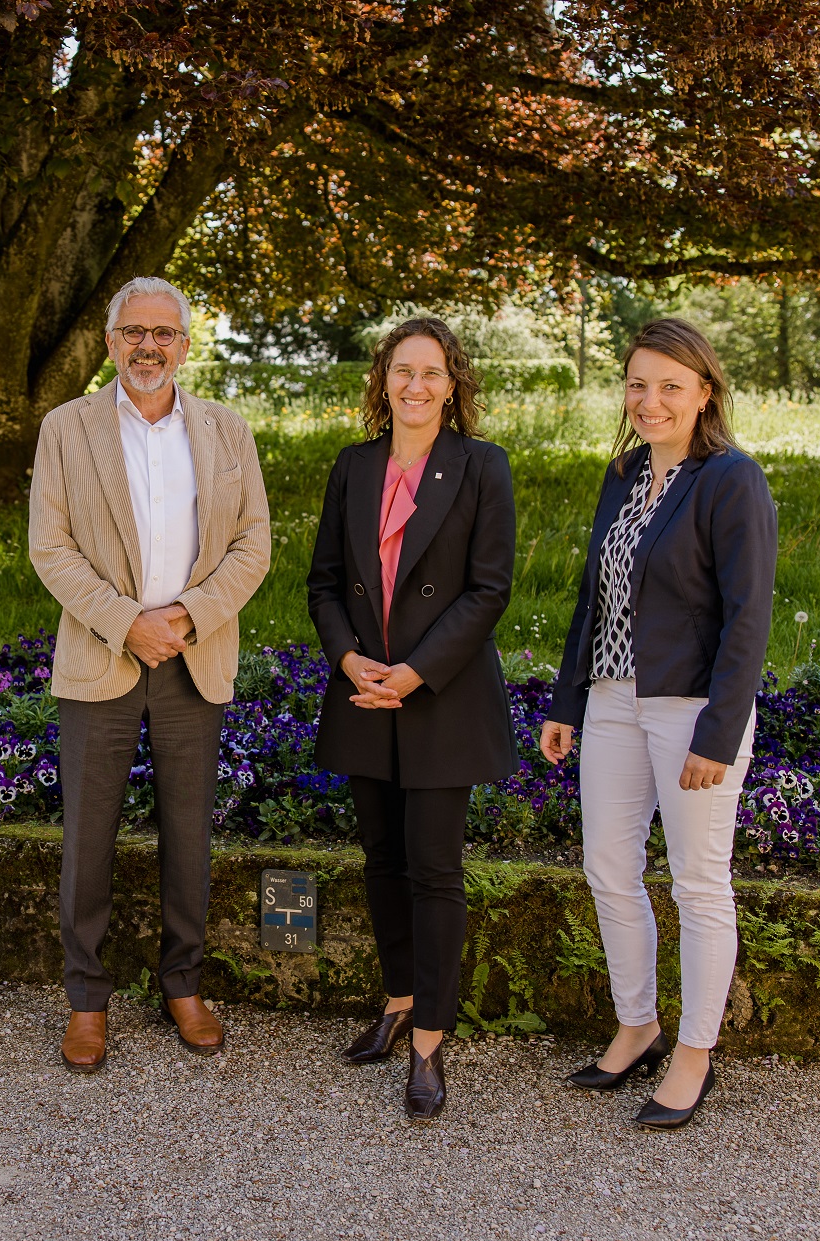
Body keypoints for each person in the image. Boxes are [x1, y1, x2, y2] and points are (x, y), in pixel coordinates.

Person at [27, 276, 272, 1073]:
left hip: (192, 658)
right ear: (110, 343)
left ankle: (183, 983)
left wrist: (188, 616)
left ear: (186, 346)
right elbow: (49, 547)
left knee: (189, 836)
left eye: (164, 334)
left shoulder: (227, 430)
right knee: (87, 839)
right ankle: (87, 999)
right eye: (133, 332)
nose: (148, 347)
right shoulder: (67, 428)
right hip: (103, 656)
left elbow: (253, 545)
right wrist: (126, 620)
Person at [538, 317, 776, 1130]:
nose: (650, 400)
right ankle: (637, 1023)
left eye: (670, 385)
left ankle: (693, 1054)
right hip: (610, 700)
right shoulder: (625, 472)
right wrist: (569, 700)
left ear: (704, 391)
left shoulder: (731, 480)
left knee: (699, 884)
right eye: (638, 384)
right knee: (608, 866)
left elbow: (748, 618)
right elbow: (591, 596)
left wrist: (719, 731)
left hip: (690, 709)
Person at [306, 317, 517, 1120]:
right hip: (364, 694)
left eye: (432, 372)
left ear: (453, 382)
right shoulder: (354, 466)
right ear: (383, 380)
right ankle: (397, 1000)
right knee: (381, 860)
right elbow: (325, 582)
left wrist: (416, 672)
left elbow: (488, 589)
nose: (416, 386)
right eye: (403, 371)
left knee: (434, 869)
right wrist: (350, 660)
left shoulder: (481, 467)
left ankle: (430, 1039)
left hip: (441, 698)